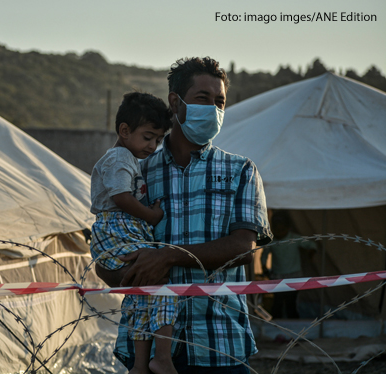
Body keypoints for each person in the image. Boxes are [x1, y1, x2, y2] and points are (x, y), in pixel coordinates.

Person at [95, 57, 273, 373]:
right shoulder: (136, 172)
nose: (213, 109)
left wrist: (166, 257)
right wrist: (129, 273)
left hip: (219, 342)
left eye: (220, 102)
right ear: (175, 103)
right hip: (145, 350)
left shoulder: (240, 171)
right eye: (203, 99)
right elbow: (109, 253)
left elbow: (243, 248)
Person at [90, 92, 178, 374]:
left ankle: (141, 365)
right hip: (118, 229)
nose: (153, 146)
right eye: (148, 137)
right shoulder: (119, 158)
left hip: (123, 229)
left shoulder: (129, 158)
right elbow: (122, 198)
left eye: (158, 140)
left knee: (143, 293)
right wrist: (151, 215)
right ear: (124, 131)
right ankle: (161, 356)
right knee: (161, 281)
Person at [261, 210, 317, 319]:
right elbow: (263, 256)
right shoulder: (271, 241)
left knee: (291, 303)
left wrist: (311, 252)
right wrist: (264, 267)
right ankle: (276, 327)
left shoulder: (294, 239)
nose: (279, 232)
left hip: (294, 276)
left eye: (282, 230)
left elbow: (312, 244)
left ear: (288, 228)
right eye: (276, 230)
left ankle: (294, 327)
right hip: (277, 276)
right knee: (277, 303)